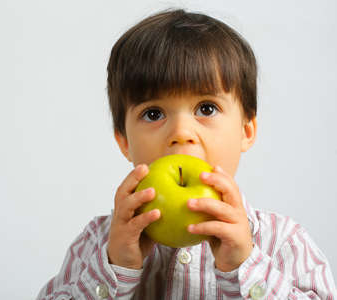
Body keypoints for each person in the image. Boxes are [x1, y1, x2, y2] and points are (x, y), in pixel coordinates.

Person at [37, 8, 336, 299]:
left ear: (246, 131)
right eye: (153, 113)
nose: (181, 132)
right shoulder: (97, 243)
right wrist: (115, 268)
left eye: (206, 108)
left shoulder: (283, 242)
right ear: (124, 141)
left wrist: (247, 268)